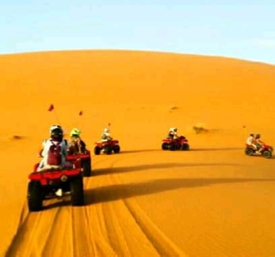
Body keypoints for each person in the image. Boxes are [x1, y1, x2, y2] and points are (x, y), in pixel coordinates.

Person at [37, 125, 71, 197]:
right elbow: (66, 154)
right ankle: (68, 186)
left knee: (37, 172)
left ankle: (42, 190)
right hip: (60, 166)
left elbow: (41, 153)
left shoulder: (46, 142)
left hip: (47, 166)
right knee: (72, 167)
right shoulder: (64, 142)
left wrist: (40, 154)